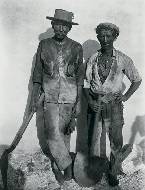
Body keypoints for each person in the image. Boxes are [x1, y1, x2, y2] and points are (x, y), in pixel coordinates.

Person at [83, 22, 142, 186]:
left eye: (109, 35)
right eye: (101, 35)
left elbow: (136, 80)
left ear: (115, 37)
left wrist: (125, 97)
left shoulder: (123, 59)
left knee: (116, 140)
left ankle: (113, 171)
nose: (105, 39)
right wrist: (90, 101)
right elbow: (86, 84)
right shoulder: (93, 59)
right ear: (98, 37)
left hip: (114, 106)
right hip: (95, 104)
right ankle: (93, 172)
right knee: (93, 138)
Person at [30, 9, 84, 185]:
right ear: (53, 25)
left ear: (69, 28)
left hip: (70, 98)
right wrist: (33, 97)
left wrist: (78, 104)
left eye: (65, 26)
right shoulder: (44, 45)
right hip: (50, 97)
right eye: (58, 25)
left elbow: (80, 77)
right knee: (52, 134)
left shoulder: (77, 47)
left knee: (65, 134)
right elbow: (38, 73)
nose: (61, 29)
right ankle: (67, 166)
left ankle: (56, 165)